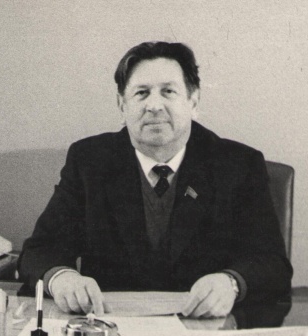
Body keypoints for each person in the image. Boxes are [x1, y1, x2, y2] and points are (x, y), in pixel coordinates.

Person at [17, 41, 292, 318]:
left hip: (203, 329)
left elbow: (272, 263)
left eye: (168, 92)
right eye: (142, 93)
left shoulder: (237, 165)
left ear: (193, 102)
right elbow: (40, 250)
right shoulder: (89, 161)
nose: (154, 106)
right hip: (111, 328)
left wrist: (231, 283)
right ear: (122, 105)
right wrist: (62, 278)